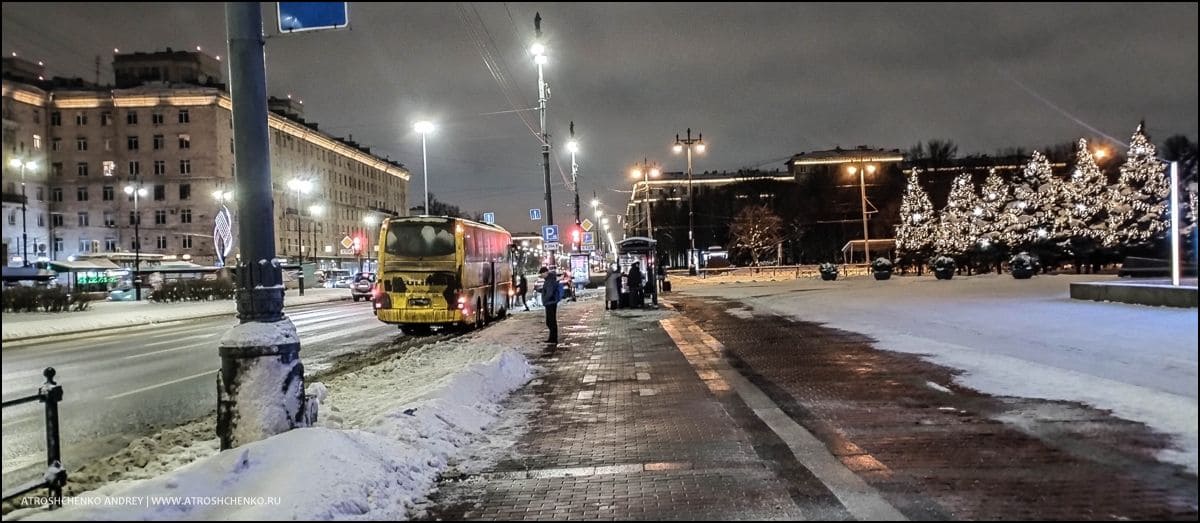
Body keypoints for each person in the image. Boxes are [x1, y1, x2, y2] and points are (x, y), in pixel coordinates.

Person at [539, 266, 563, 344]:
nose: (541, 276)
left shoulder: (549, 280)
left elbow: (549, 292)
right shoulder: (550, 279)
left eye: (542, 274)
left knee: (550, 321)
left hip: (550, 302)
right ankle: (552, 338)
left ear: (546, 272)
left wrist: (545, 300)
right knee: (551, 321)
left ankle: (553, 338)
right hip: (551, 302)